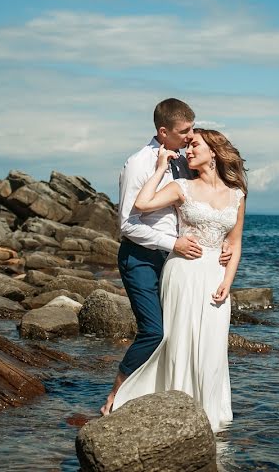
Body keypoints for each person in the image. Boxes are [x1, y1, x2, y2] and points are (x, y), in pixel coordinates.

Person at [99, 99, 232, 416]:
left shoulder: (184, 161)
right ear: (163, 131)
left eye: (192, 128)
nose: (190, 136)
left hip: (175, 263)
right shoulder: (139, 164)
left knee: (176, 333)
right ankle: (115, 396)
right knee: (154, 332)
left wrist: (222, 240)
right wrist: (174, 243)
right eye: (184, 131)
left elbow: (197, 203)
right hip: (141, 257)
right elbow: (128, 224)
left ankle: (164, 399)